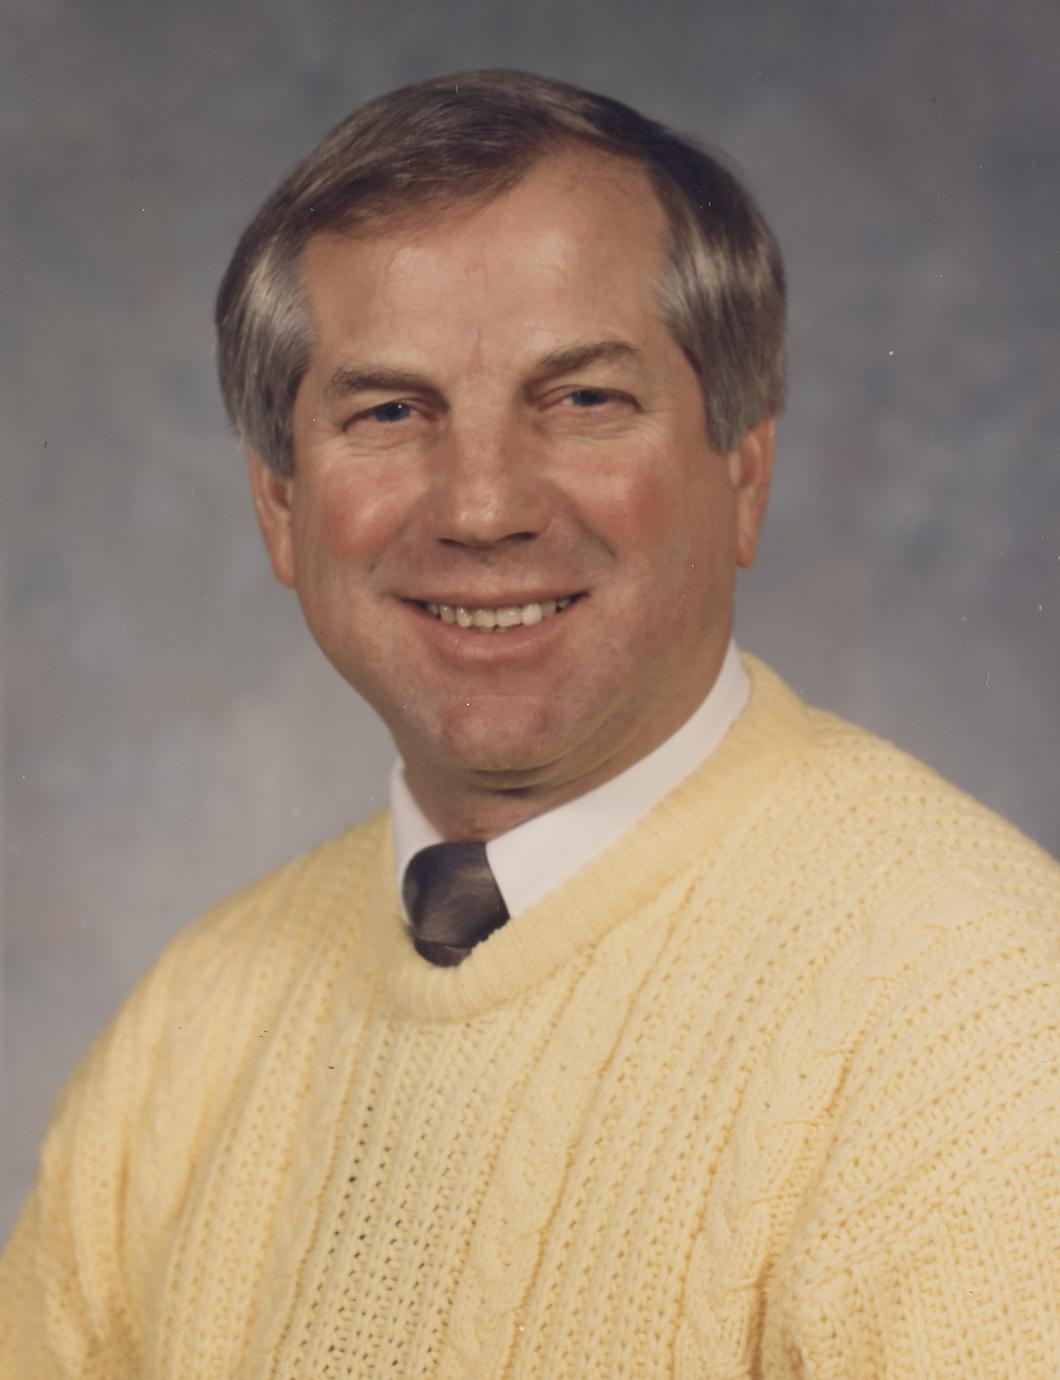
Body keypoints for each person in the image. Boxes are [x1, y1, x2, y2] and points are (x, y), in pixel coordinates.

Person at [1, 69, 1057, 1379]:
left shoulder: (976, 1020)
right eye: (391, 412)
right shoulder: (192, 1024)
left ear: (743, 468)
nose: (483, 508)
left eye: (583, 400)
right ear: (280, 505)